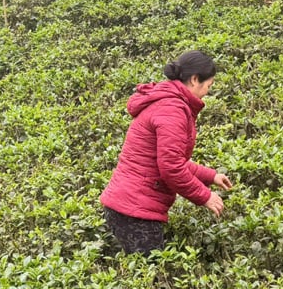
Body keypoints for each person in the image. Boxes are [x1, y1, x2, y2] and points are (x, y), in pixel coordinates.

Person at [100, 50, 233, 254]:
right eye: (209, 85)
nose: (208, 91)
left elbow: (171, 160)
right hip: (134, 211)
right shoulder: (172, 110)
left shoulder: (169, 102)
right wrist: (204, 196)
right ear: (195, 79)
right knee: (151, 277)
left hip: (127, 205)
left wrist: (211, 176)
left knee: (149, 271)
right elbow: (171, 168)